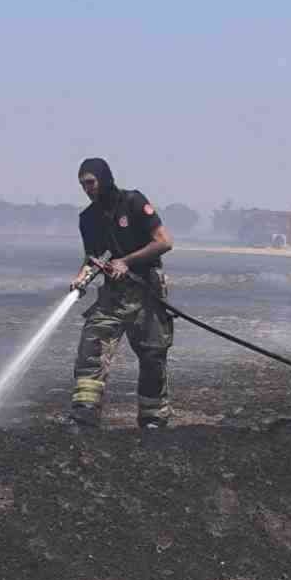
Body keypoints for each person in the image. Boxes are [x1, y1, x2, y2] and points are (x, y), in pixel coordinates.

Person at [68, 158, 174, 428]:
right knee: (91, 348)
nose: (87, 189)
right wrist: (81, 277)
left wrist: (126, 262)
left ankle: (153, 419)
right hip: (113, 295)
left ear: (104, 178)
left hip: (147, 290)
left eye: (90, 182)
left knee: (152, 355)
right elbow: (92, 257)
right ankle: (84, 416)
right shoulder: (88, 219)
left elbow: (164, 242)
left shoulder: (133, 202)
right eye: (82, 185)